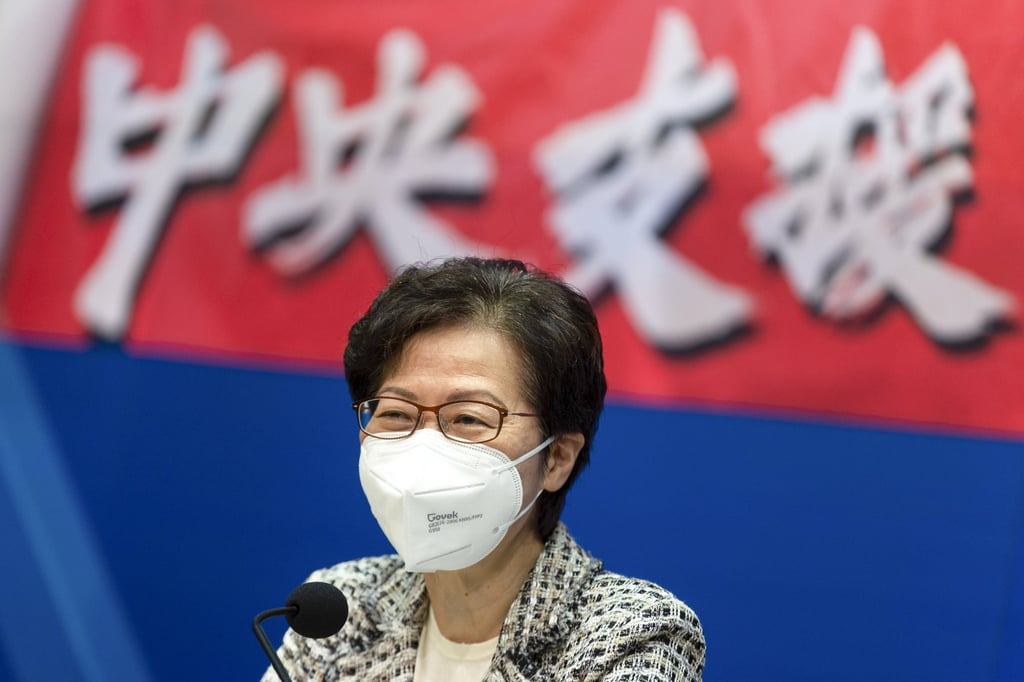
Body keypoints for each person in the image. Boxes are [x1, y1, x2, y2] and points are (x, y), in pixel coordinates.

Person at [264, 257, 705, 681]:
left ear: (558, 458)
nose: (425, 446)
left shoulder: (630, 634)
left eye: (469, 418)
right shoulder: (341, 607)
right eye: (397, 413)